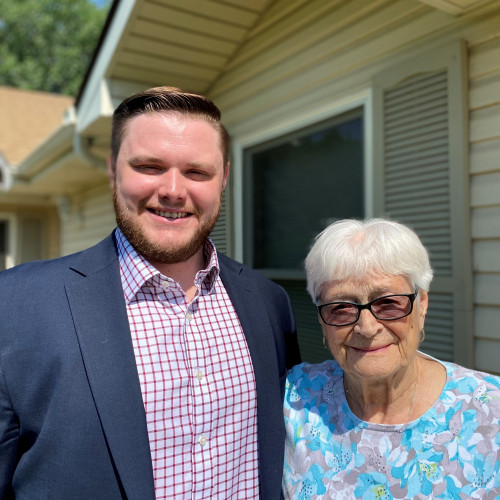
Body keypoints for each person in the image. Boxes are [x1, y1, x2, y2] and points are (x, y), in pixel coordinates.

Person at [0, 86, 301, 499]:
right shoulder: (17, 305)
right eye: (149, 166)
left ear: (224, 178)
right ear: (113, 169)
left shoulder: (269, 303)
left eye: (197, 172)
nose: (174, 190)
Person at [283, 218, 500, 499]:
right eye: (341, 307)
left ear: (421, 305)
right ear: (323, 322)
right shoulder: (295, 399)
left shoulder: (490, 410)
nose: (367, 327)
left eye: (388, 303)